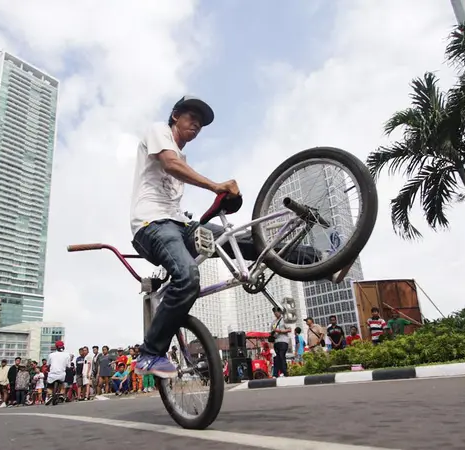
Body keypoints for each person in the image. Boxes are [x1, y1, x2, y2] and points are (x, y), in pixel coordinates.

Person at [129, 96, 341, 378]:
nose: (196, 125)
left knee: (250, 242)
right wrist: (216, 186)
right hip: (151, 225)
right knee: (188, 277)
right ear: (175, 117)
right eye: (191, 117)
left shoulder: (185, 158)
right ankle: (150, 353)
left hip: (181, 225)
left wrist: (217, 206)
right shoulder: (159, 131)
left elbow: (178, 184)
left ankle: (324, 261)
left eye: (201, 124)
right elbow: (169, 164)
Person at [270, 307, 291, 377]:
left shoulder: (284, 320)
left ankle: (285, 372)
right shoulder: (273, 322)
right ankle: (276, 374)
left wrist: (280, 331)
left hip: (283, 341)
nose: (275, 314)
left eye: (276, 312)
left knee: (282, 356)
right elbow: (271, 331)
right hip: (276, 341)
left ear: (280, 312)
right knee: (277, 358)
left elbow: (289, 329)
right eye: (274, 313)